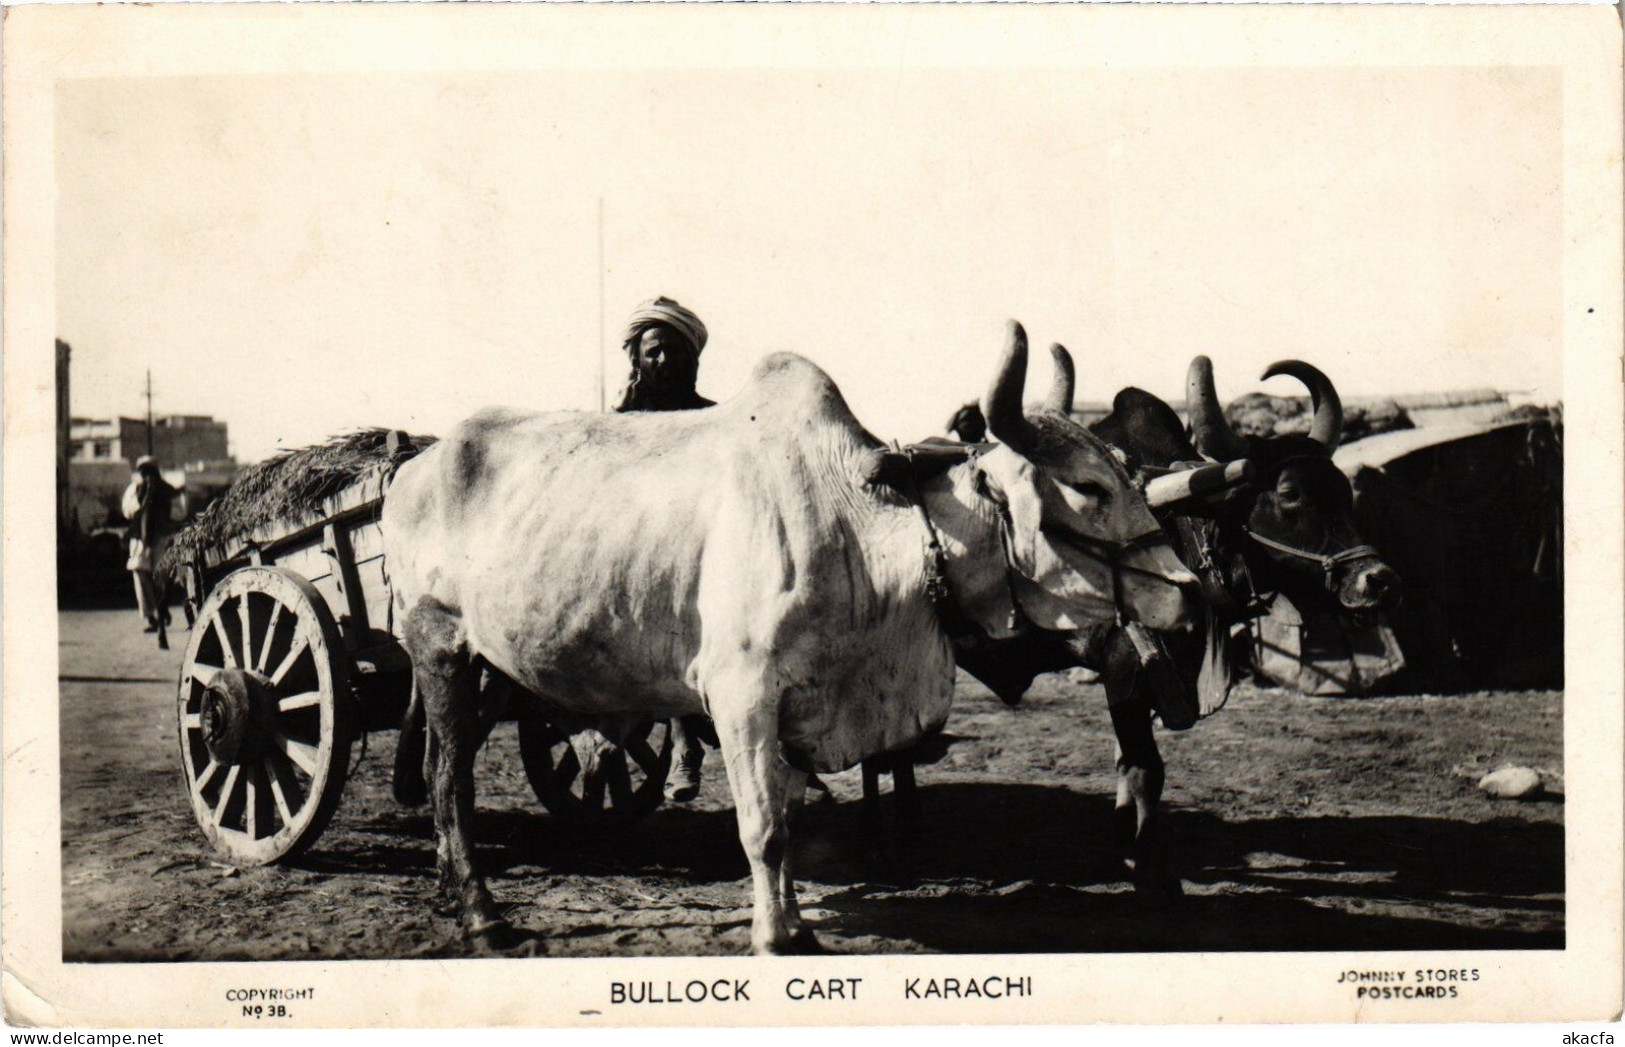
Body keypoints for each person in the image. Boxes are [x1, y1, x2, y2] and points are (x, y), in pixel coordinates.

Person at [612, 298, 716, 802]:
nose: (664, 362)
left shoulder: (718, 420)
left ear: (694, 358)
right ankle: (683, 744)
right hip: (640, 563)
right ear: (636, 358)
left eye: (676, 351)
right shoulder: (618, 427)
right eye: (653, 352)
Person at [120, 455, 184, 634]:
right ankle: (150, 616)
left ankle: (161, 610)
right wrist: (143, 502)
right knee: (139, 572)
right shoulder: (135, 489)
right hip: (140, 540)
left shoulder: (168, 490)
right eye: (144, 471)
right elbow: (128, 510)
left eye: (150, 470)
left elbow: (180, 512)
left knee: (160, 577)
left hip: (162, 538)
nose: (147, 474)